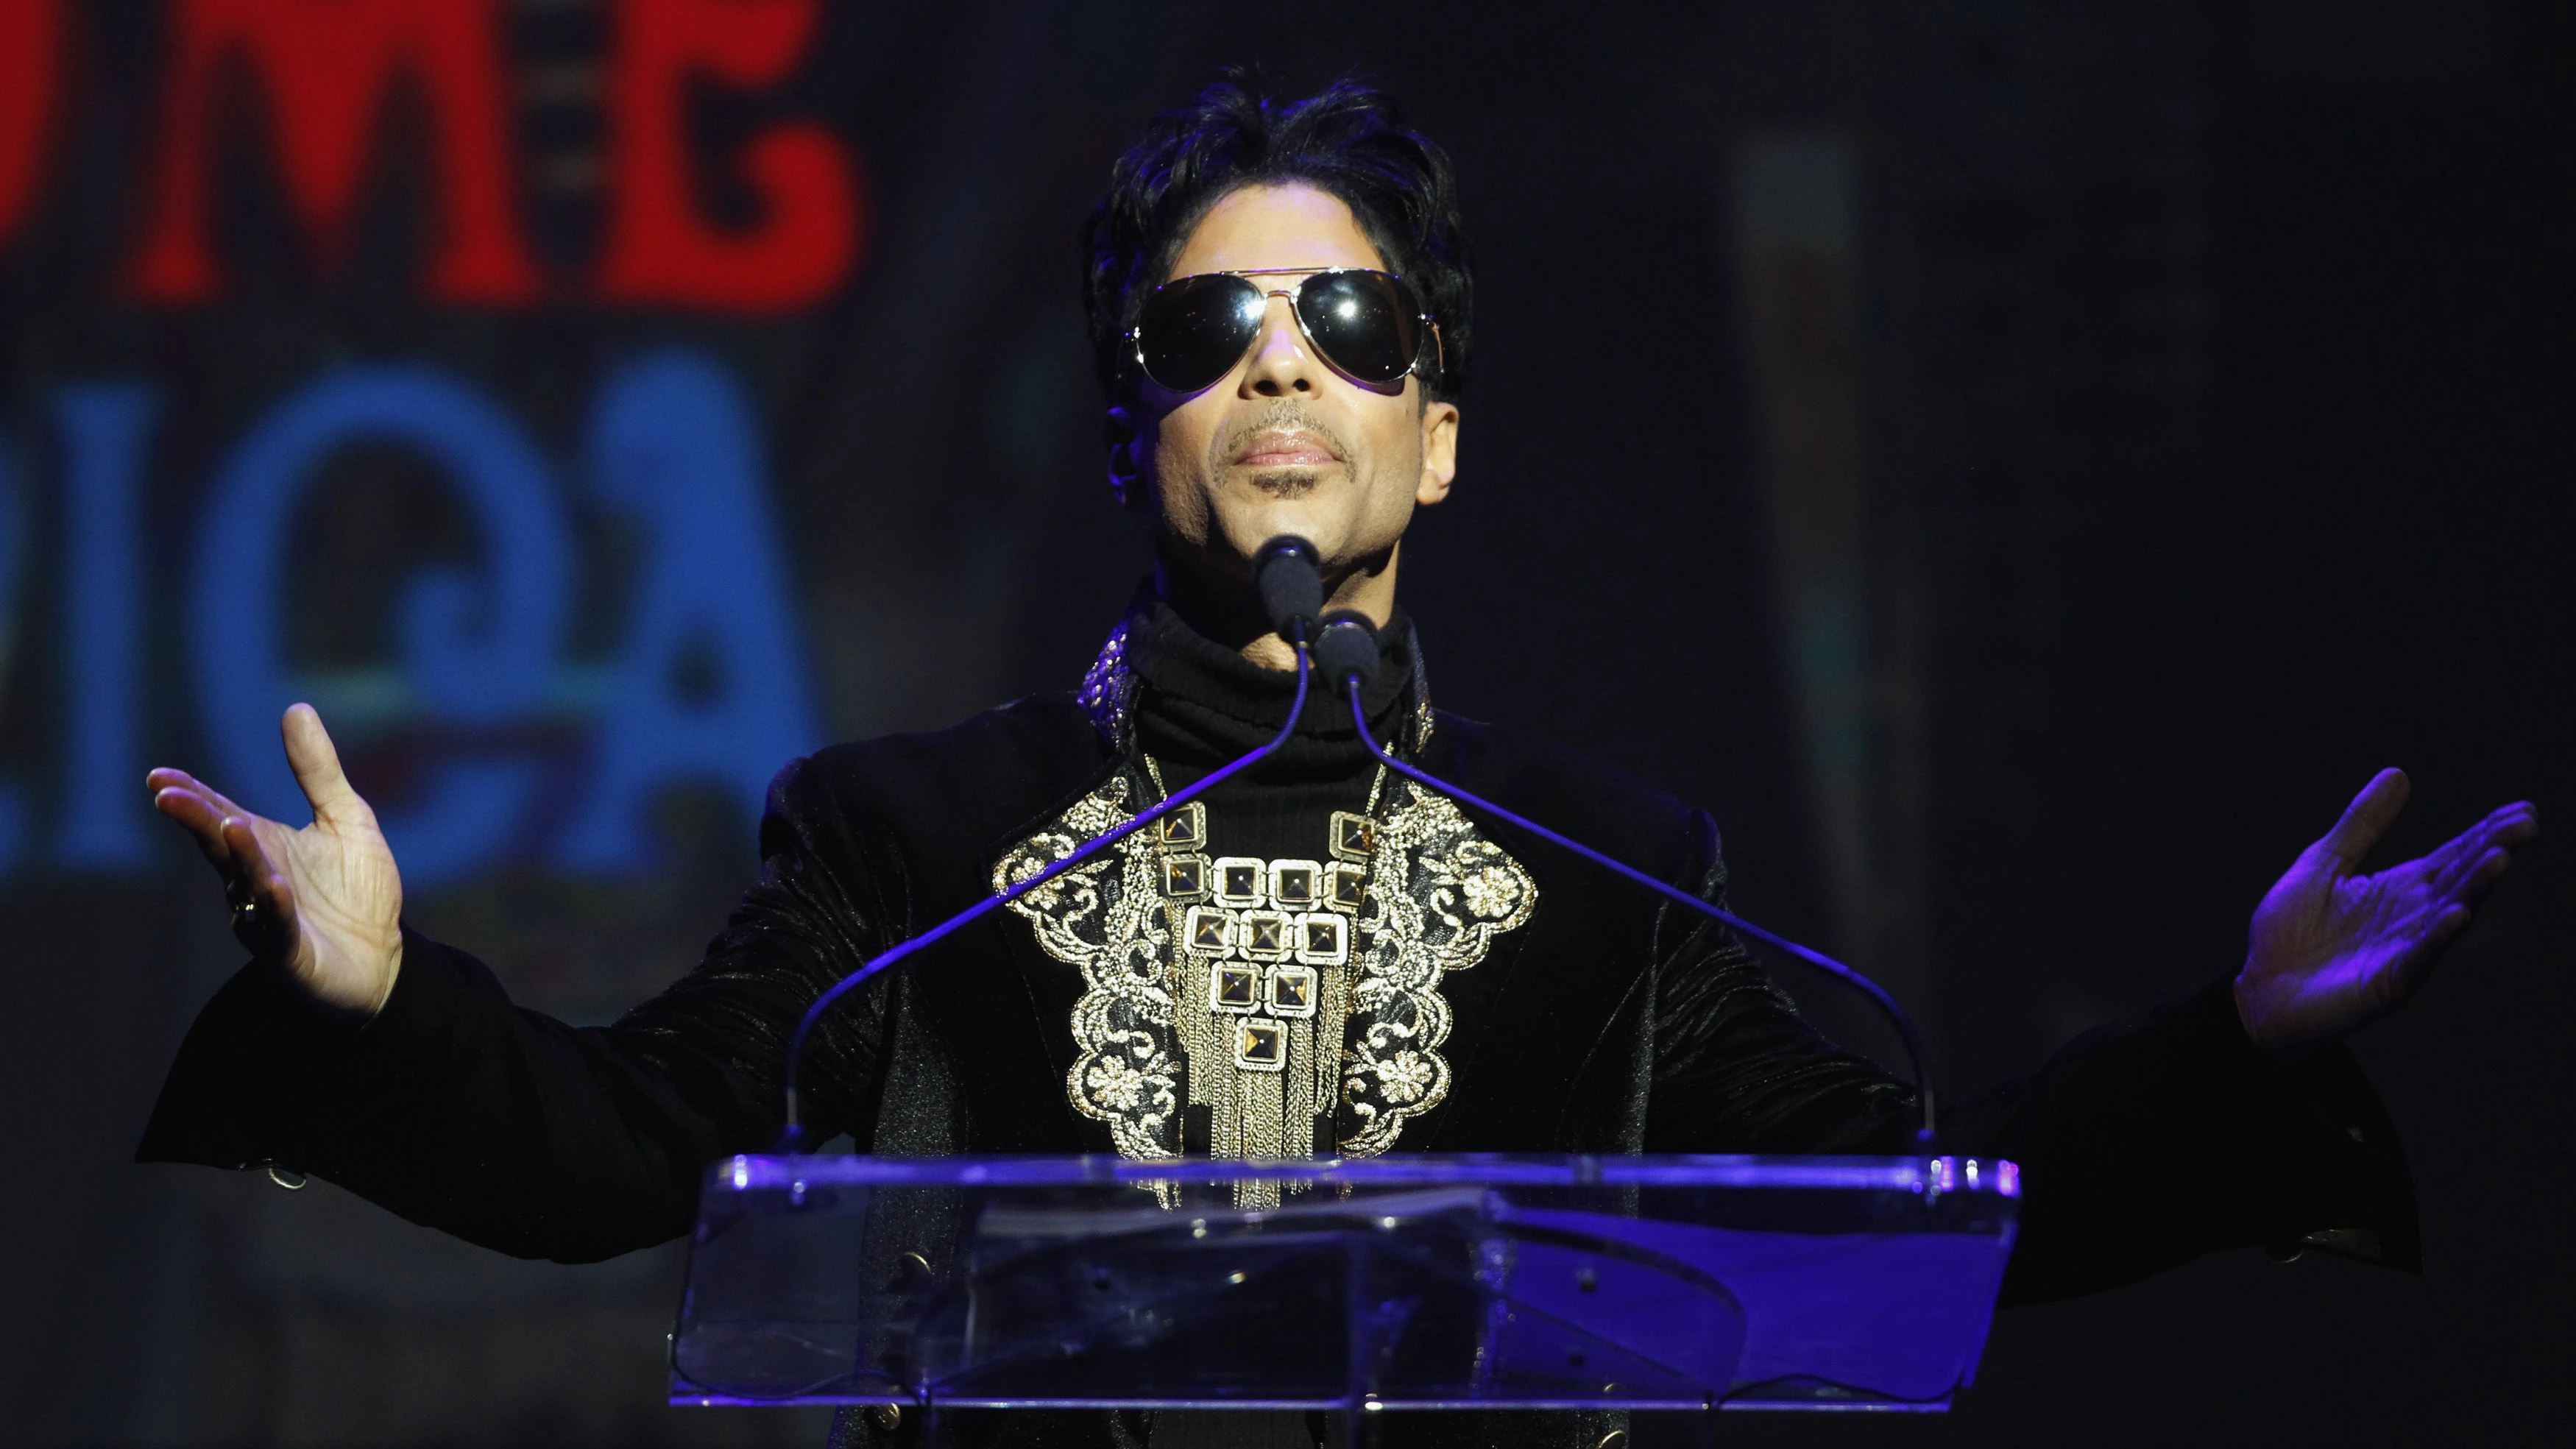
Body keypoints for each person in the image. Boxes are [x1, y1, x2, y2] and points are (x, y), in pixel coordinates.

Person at [137, 77, 2536, 1449]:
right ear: (1130, 422)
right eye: (1209, 327)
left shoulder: (1615, 873)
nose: (1281, 367)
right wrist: (374, 1000)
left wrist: (2229, 1056)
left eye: (1350, 322)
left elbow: (1914, 1213)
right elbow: (616, 1161)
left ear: (1440, 434)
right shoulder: (910, 842)